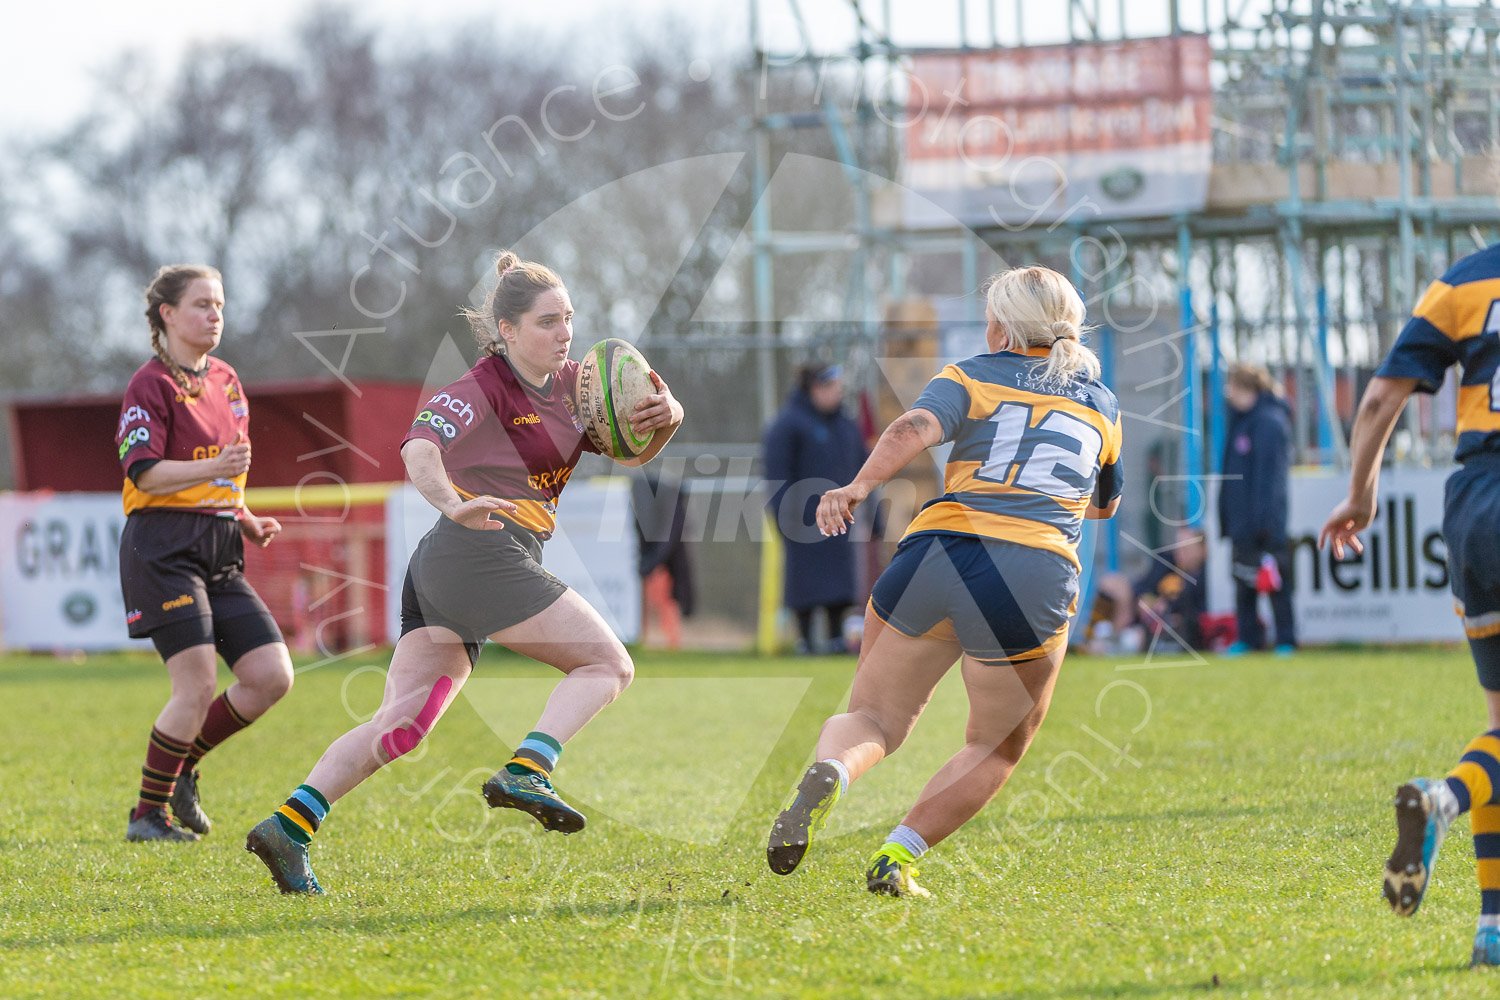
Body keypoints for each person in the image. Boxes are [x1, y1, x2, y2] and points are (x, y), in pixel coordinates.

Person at [245, 250, 684, 894]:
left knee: (399, 728)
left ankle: (288, 827)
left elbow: (637, 448)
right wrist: (454, 501)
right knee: (607, 665)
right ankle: (529, 768)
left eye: (568, 319)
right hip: (475, 552)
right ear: (506, 331)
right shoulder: (482, 386)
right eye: (547, 322)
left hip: (453, 569)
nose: (565, 333)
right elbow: (419, 448)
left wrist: (669, 417)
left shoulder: (574, 389)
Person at [765, 265, 1122, 896]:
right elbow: (1103, 505)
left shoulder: (971, 373)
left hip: (937, 550)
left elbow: (909, 429)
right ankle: (895, 858)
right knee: (997, 747)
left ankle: (831, 771)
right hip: (1031, 570)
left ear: (1001, 326)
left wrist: (856, 488)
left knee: (872, 715)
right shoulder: (1103, 405)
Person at [1320, 243, 1500, 967]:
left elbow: (1379, 397)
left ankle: (1492, 929)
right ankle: (1445, 799)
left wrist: (1361, 494)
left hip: (1475, 505)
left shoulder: (1465, 278)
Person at [116, 264, 293, 843]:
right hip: (162, 546)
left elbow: (224, 474)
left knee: (271, 676)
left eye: (219, 305)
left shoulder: (226, 379)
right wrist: (213, 470)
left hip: (218, 544)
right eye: (201, 305)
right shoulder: (151, 384)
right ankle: (148, 814)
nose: (215, 315)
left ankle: (182, 762)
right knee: (192, 687)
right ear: (167, 314)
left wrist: (245, 518)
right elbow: (144, 471)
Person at [763, 363, 867, 654]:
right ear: (814, 389)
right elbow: (776, 474)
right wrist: (784, 515)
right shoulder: (789, 424)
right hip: (802, 519)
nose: (838, 393)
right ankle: (805, 642)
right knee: (803, 582)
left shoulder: (846, 426)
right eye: (831, 387)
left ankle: (836, 639)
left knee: (840, 582)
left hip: (841, 518)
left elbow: (865, 471)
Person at [1218, 362, 1296, 656]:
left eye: (1233, 387)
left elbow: (1270, 479)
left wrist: (1266, 521)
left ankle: (1286, 639)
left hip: (1264, 523)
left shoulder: (1269, 423)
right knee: (1243, 582)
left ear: (1245, 388)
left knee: (1275, 582)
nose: (1228, 394)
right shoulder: (1240, 421)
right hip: (1240, 523)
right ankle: (1249, 639)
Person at [1088, 527, 1208, 654]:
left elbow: (1193, 611)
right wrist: (1145, 599)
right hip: (1141, 613)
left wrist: (1166, 606)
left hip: (1166, 624)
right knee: (1112, 583)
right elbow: (1144, 585)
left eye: (1187, 549)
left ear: (1202, 551)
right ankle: (1096, 636)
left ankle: (1114, 643)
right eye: (1178, 547)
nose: (1180, 553)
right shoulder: (1167, 562)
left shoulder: (1203, 576)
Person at [631, 470, 694, 649]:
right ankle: (649, 639)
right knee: (655, 599)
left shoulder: (669, 504)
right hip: (655, 564)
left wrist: (650, 563)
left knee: (667, 600)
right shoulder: (663, 501)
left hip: (659, 568)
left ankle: (670, 641)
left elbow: (666, 538)